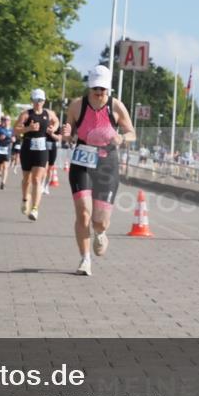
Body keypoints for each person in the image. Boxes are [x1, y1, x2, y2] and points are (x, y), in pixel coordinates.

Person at [61, 65, 136, 276]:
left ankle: (101, 232)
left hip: (106, 164)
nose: (99, 93)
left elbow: (132, 132)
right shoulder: (77, 106)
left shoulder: (116, 106)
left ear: (108, 89)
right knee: (83, 213)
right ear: (89, 87)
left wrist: (122, 137)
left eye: (103, 89)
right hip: (82, 160)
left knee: (99, 220)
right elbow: (69, 133)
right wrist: (66, 132)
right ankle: (85, 259)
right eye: (95, 88)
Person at [15, 88, 59, 220]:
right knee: (27, 179)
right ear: (32, 101)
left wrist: (53, 129)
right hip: (27, 148)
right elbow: (16, 130)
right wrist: (28, 128)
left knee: (36, 179)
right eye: (35, 100)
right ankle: (24, 199)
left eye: (40, 100)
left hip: (41, 148)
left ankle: (35, 209)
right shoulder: (26, 114)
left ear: (44, 101)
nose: (38, 102)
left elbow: (56, 121)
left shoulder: (49, 113)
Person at [0, 115, 14, 189]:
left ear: (10, 121)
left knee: (5, 166)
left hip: (7, 149)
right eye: (5, 120)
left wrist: (13, 139)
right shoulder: (0, 129)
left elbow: (14, 137)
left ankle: (3, 183)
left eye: (7, 120)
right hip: (0, 149)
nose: (6, 121)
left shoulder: (12, 130)